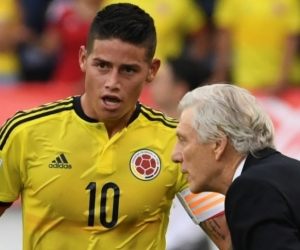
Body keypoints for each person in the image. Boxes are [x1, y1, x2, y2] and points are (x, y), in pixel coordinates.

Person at [0, 3, 230, 250]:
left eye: (128, 70)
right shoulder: (25, 132)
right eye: (102, 66)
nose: (112, 82)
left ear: (151, 71)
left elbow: (229, 237)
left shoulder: (176, 142)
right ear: (82, 60)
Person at [172, 83, 300, 249]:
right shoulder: (284, 172)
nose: (175, 155)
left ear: (218, 144)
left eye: (183, 140)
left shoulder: (250, 189)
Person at [211, 0, 300, 95]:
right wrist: (220, 75)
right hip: (247, 82)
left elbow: (292, 39)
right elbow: (225, 36)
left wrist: (283, 79)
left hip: (287, 86)